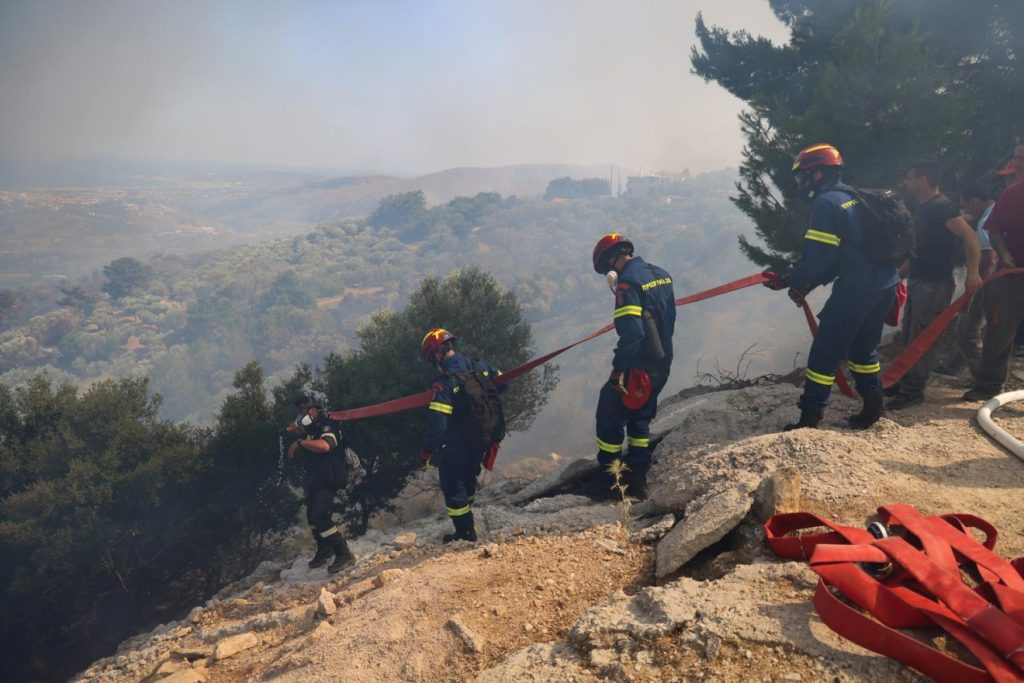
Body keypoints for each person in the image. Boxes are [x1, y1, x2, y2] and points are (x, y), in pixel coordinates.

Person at [763, 143, 898, 431]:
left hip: (857, 289)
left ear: (818, 173)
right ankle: (874, 409)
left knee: (825, 353)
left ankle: (809, 418)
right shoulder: (856, 196)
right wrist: (801, 282)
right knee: (863, 350)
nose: (802, 183)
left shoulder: (826, 204)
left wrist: (793, 280)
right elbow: (847, 251)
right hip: (885, 283)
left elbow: (820, 256)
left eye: (804, 176)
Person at [886, 161, 982, 410]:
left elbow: (970, 237)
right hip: (918, 281)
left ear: (923, 179)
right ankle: (905, 380)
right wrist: (897, 277)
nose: (906, 182)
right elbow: (918, 250)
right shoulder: (923, 208)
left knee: (922, 336)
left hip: (935, 283)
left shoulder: (942, 208)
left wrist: (973, 274)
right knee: (909, 333)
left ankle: (913, 391)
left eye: (910, 177)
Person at [591, 233, 675, 499]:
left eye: (606, 268)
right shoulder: (662, 274)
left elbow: (632, 334)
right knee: (641, 417)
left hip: (637, 364)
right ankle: (639, 479)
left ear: (612, 260)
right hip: (662, 361)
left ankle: (610, 481)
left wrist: (619, 369)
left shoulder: (627, 285)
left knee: (608, 416)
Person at [419, 328, 503, 543]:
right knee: (468, 479)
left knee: (452, 485)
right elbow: (503, 382)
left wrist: (430, 449)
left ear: (437, 355)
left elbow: (438, 424)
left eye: (432, 359)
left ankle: (465, 533)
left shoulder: (445, 383)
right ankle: (469, 520)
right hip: (482, 437)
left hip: (458, 444)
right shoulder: (479, 365)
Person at [965, 143, 1024, 401]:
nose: (1015, 171)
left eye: (1018, 164)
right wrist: (1006, 253)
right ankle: (988, 386)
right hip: (1011, 277)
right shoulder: (1011, 194)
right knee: (998, 332)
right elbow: (995, 230)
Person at [934, 182, 998, 378]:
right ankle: (952, 366)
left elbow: (989, 259)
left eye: (966, 205)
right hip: (1001, 282)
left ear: (975, 201)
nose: (965, 210)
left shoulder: (985, 222)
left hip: (988, 283)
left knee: (967, 332)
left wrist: (974, 292)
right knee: (968, 326)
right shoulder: (995, 211)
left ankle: (985, 381)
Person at [286, 396, 355, 573]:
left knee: (320, 515)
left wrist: (301, 443)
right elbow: (305, 435)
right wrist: (296, 435)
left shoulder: (327, 425)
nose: (300, 415)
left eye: (303, 411)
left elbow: (325, 445)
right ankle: (324, 550)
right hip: (317, 476)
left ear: (313, 411)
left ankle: (343, 553)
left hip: (330, 477)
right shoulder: (312, 427)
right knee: (312, 516)